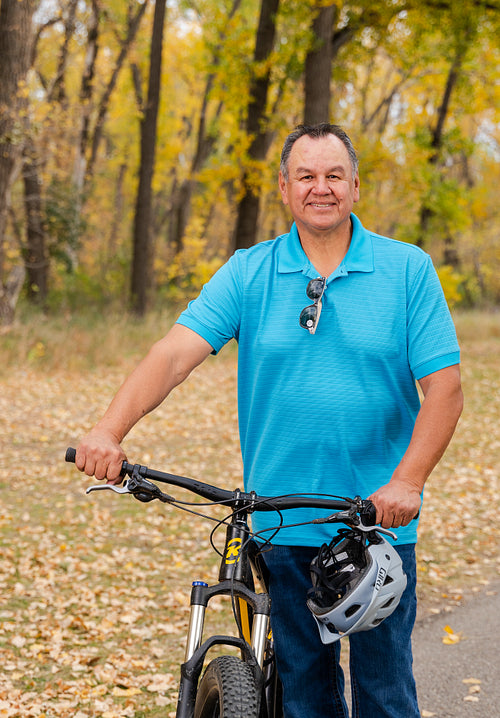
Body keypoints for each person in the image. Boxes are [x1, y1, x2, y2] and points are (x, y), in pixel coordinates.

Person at [74, 123, 463, 717]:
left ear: (355, 187)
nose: (321, 188)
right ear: (284, 188)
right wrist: (108, 431)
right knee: (303, 698)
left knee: (385, 696)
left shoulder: (407, 270)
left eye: (334, 175)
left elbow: (445, 390)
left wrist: (407, 482)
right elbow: (175, 355)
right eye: (306, 176)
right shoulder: (249, 272)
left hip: (376, 526)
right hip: (279, 526)